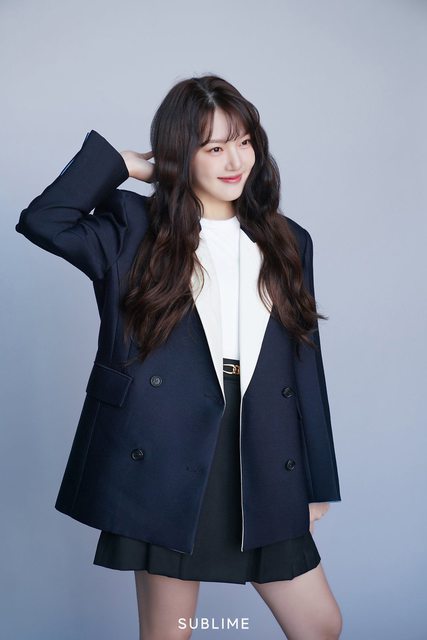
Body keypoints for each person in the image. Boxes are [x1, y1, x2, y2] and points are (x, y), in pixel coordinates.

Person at [16, 74, 343, 639]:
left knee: (319, 626)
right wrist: (122, 164)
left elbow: (304, 364)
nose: (234, 161)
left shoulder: (290, 239)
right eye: (213, 148)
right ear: (179, 152)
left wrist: (317, 481)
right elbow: (44, 220)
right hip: (165, 445)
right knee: (171, 633)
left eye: (244, 141)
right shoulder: (133, 227)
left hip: (263, 444)